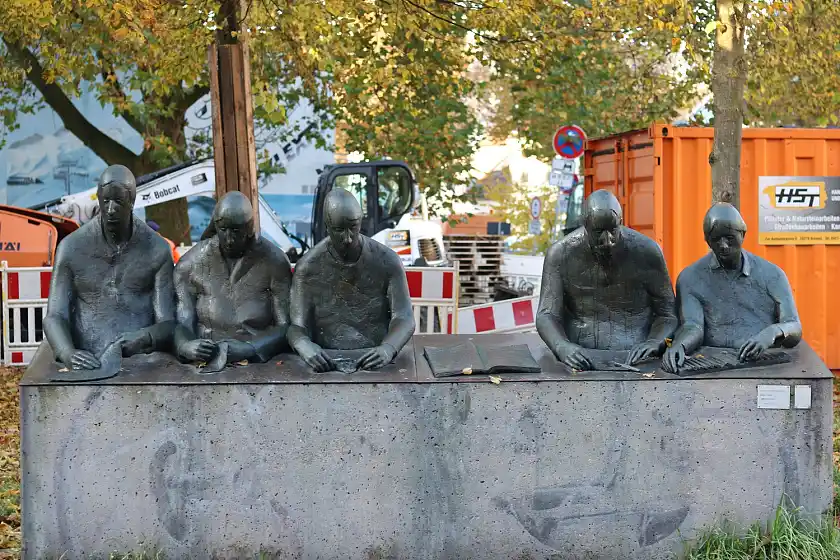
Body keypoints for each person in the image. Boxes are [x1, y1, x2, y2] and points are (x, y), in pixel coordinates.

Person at [44, 165, 175, 370]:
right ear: (98, 197)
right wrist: (66, 352)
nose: (111, 209)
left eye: (119, 202)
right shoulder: (71, 248)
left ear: (132, 201)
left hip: (141, 361)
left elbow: (168, 323)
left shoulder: (157, 250)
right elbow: (55, 316)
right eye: (106, 201)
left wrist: (144, 338)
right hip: (86, 357)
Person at [536, 189, 677, 370]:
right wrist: (562, 347)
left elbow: (668, 314)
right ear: (584, 225)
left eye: (613, 230)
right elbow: (546, 315)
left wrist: (656, 342)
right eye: (598, 232)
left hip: (639, 359)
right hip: (580, 357)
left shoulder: (647, 251)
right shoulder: (560, 254)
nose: (608, 240)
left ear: (621, 222)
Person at [662, 203, 802, 373]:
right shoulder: (690, 278)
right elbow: (693, 325)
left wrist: (771, 333)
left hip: (766, 362)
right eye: (716, 239)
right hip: (713, 365)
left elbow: (794, 326)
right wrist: (680, 345)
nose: (723, 246)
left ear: (743, 234)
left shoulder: (773, 275)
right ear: (707, 240)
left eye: (729, 238)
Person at [287, 188, 415, 372]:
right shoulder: (308, 267)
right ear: (327, 226)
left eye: (353, 228)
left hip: (376, 359)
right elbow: (297, 326)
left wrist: (389, 348)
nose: (347, 238)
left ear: (360, 223)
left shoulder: (387, 260)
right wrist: (304, 345)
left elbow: (404, 317)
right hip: (327, 361)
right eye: (339, 230)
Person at [174, 192, 293, 365]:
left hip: (256, 361)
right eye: (223, 230)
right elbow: (182, 320)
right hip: (204, 360)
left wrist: (253, 347)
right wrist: (185, 345)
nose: (229, 239)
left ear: (249, 227)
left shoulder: (274, 262)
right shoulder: (190, 264)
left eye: (236, 231)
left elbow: (286, 326)